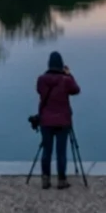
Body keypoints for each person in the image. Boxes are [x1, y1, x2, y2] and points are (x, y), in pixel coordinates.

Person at [36, 51, 81, 189]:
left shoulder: (41, 79)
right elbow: (76, 90)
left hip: (46, 121)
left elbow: (39, 91)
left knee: (46, 151)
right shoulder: (66, 80)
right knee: (61, 152)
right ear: (61, 65)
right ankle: (61, 180)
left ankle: (45, 179)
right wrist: (68, 74)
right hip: (63, 121)